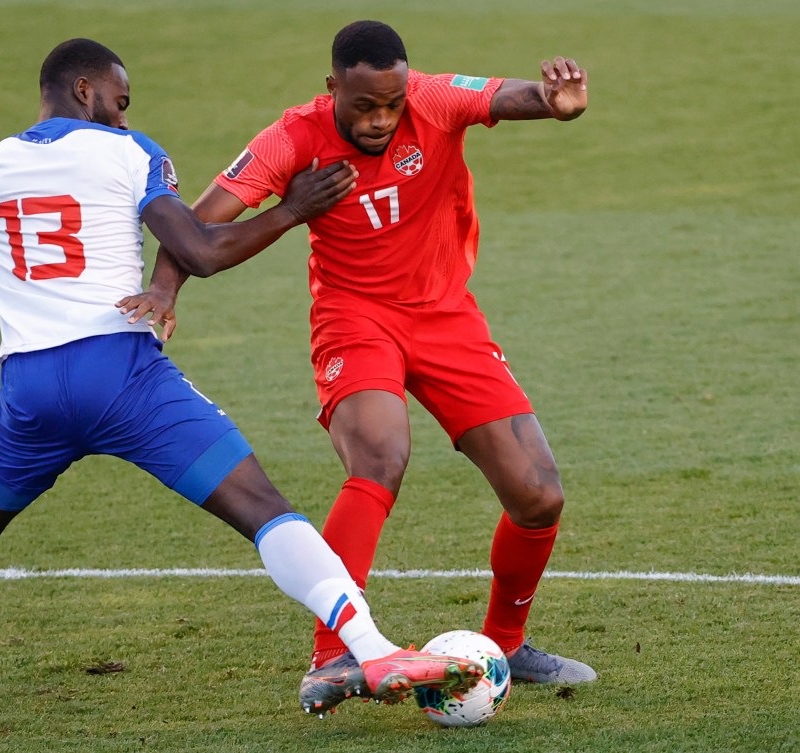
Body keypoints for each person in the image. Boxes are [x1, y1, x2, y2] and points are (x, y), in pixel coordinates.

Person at [0, 38, 486, 745]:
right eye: (120, 103)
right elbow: (201, 252)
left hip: (29, 389)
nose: (125, 117)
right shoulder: (130, 154)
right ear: (88, 91)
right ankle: (371, 650)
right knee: (262, 508)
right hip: (121, 374)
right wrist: (292, 208)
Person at [118, 20, 598, 718]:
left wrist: (556, 103)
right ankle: (332, 651)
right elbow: (198, 223)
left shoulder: (430, 98)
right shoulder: (291, 138)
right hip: (354, 318)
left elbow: (508, 96)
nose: (379, 119)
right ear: (331, 88)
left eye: (391, 104)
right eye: (363, 106)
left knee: (538, 494)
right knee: (379, 453)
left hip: (445, 318)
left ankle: (503, 645)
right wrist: (164, 288)